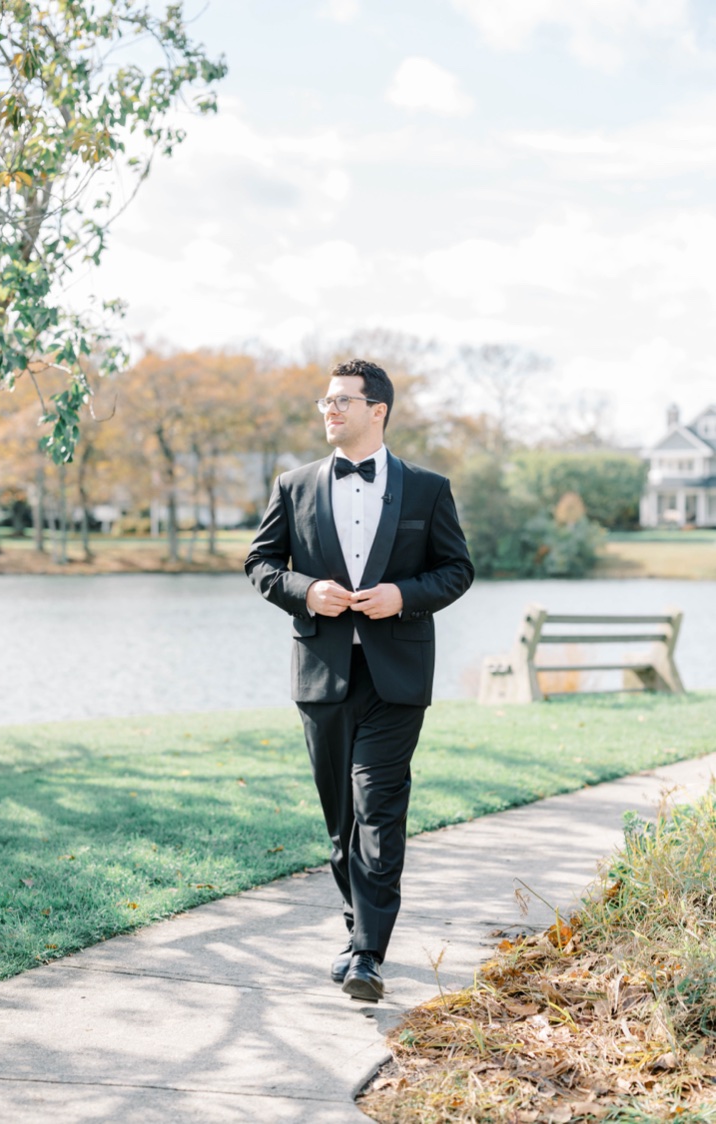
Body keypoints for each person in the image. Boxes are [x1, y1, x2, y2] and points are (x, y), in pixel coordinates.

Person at [244, 359, 473, 1002]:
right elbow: (260, 564)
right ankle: (356, 932)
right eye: (324, 401)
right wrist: (306, 590)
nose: (329, 410)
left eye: (342, 400)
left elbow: (457, 570)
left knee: (378, 808)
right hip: (322, 676)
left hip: (395, 676)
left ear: (379, 410)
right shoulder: (293, 485)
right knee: (340, 820)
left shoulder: (428, 489)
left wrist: (403, 595)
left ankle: (369, 954)